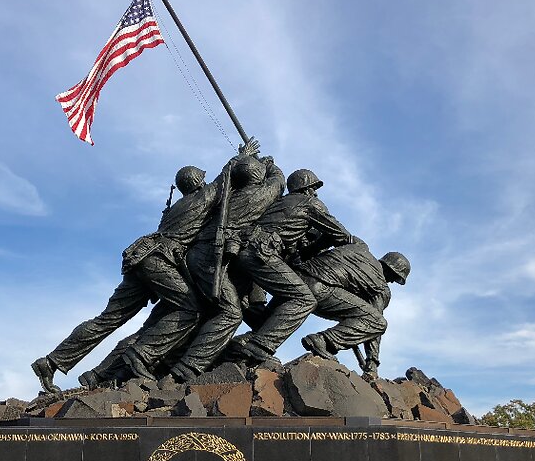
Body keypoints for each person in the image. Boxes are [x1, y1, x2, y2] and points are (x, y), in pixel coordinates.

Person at [30, 163, 222, 394]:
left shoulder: (175, 208)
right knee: (191, 310)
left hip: (141, 257)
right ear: (197, 182)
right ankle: (141, 355)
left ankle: (51, 362)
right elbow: (226, 178)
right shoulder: (202, 197)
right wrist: (246, 154)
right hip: (159, 261)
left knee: (107, 319)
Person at [168, 153, 285, 381]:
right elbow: (279, 181)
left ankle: (242, 352)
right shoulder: (258, 195)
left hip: (210, 259)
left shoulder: (225, 198)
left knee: (237, 309)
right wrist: (269, 164)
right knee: (231, 313)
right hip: (210, 258)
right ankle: (184, 370)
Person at [225, 168, 356, 365]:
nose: (316, 193)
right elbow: (341, 235)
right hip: (261, 252)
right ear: (307, 189)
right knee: (303, 299)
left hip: (242, 251)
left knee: (255, 310)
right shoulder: (311, 204)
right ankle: (259, 347)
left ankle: (238, 345)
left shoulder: (278, 203)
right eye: (314, 188)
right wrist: (319, 247)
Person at [293, 242, 410, 379]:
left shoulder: (360, 252)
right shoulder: (380, 286)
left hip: (297, 278)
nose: (391, 282)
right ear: (392, 270)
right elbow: (374, 322)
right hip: (321, 290)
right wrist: (372, 363)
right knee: (378, 322)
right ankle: (323, 340)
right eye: (395, 278)